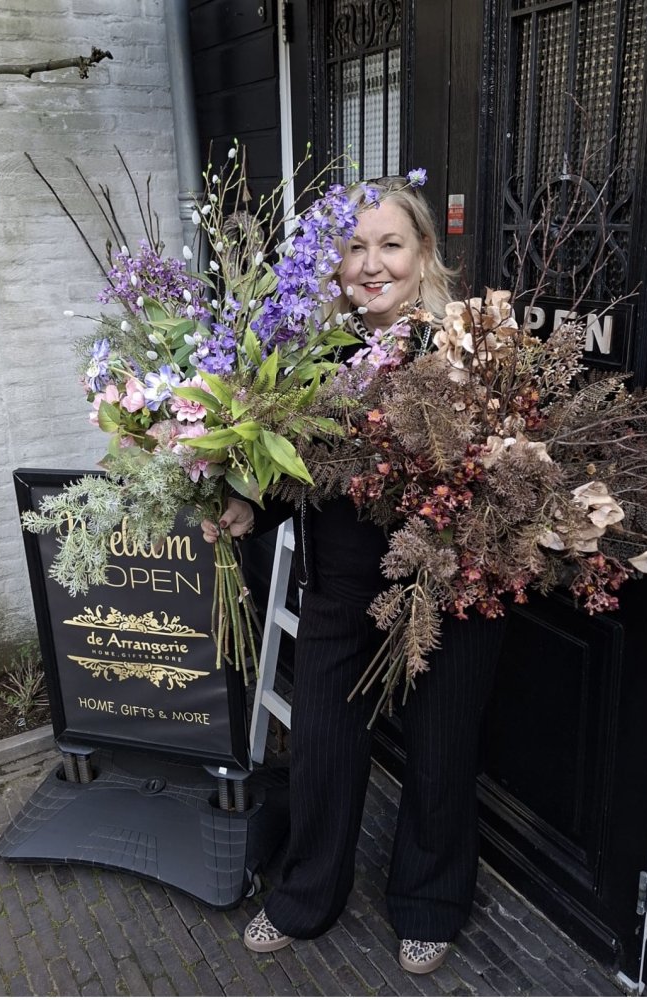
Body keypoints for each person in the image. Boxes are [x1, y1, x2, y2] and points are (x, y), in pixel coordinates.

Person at [204, 177, 506, 975]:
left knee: (441, 755)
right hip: (341, 589)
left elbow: (507, 478)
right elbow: (289, 468)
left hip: (450, 588)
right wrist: (246, 506)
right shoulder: (314, 357)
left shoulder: (465, 352)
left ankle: (430, 902)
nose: (372, 264)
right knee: (323, 750)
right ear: (334, 264)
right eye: (354, 247)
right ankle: (306, 895)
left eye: (390, 245)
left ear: (423, 254)